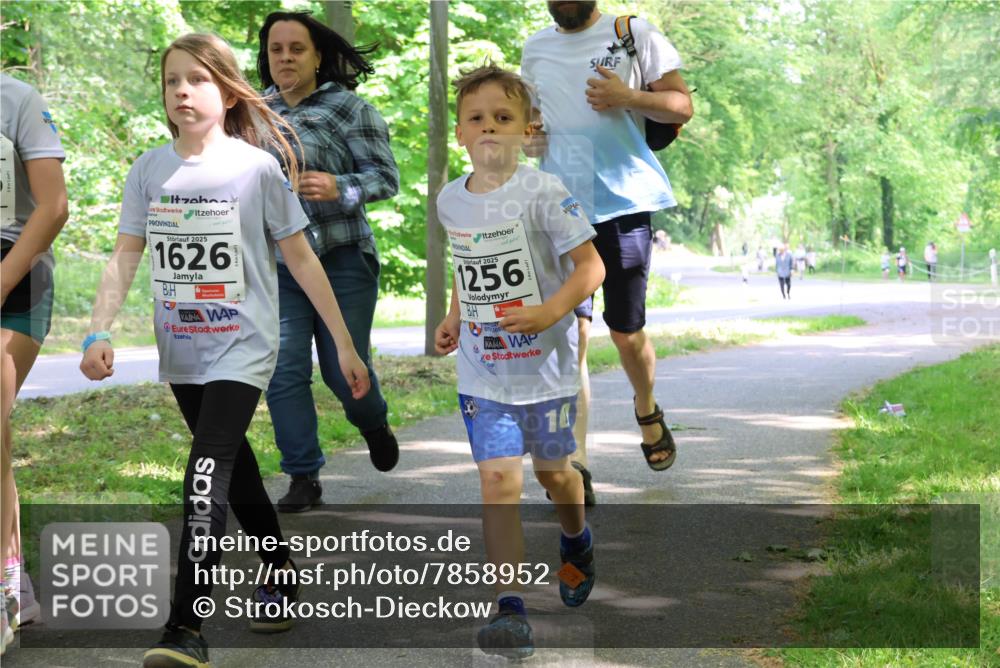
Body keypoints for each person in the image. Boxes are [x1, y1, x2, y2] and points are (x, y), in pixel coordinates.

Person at [78, 34, 371, 668]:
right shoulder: (149, 169)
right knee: (233, 470)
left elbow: (301, 256)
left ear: (227, 89)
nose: (181, 90)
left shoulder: (256, 167)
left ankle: (185, 626)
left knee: (203, 474)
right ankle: (280, 570)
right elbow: (126, 253)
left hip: (244, 344)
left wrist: (344, 344)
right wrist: (98, 330)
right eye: (170, 81)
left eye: (196, 79)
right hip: (182, 347)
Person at [433, 64, 605, 660]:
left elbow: (591, 268)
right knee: (497, 480)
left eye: (502, 118)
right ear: (459, 131)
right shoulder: (451, 199)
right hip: (485, 372)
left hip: (547, 371)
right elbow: (467, 262)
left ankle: (576, 539)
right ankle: (510, 608)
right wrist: (457, 315)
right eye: (476, 118)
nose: (489, 128)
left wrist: (550, 311)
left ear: (525, 128)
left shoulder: (545, 191)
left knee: (556, 475)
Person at [521, 1, 693, 489]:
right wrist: (530, 137)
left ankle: (646, 406)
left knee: (625, 333)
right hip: (561, 207)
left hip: (625, 202)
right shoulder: (534, 49)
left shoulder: (634, 33)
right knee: (572, 336)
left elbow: (682, 105)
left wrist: (627, 96)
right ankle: (575, 463)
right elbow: (535, 135)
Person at [257, 11, 401, 513]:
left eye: (297, 48)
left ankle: (372, 421)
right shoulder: (253, 114)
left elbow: (385, 177)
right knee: (283, 370)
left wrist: (342, 187)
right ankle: (303, 476)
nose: (286, 58)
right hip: (280, 263)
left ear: (318, 56)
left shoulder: (349, 108)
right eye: (277, 49)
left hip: (341, 256)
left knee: (342, 370)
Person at [0, 73, 69, 654]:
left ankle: (6, 585)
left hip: (13, 262)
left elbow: (53, 206)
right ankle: (13, 578)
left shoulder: (17, 99)